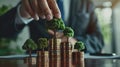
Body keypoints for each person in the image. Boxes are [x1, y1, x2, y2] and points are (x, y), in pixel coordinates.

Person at [0, 0, 104, 53]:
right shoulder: (33, 1)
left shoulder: (86, 3)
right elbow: (3, 30)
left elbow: (98, 40)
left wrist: (76, 43)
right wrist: (21, 14)